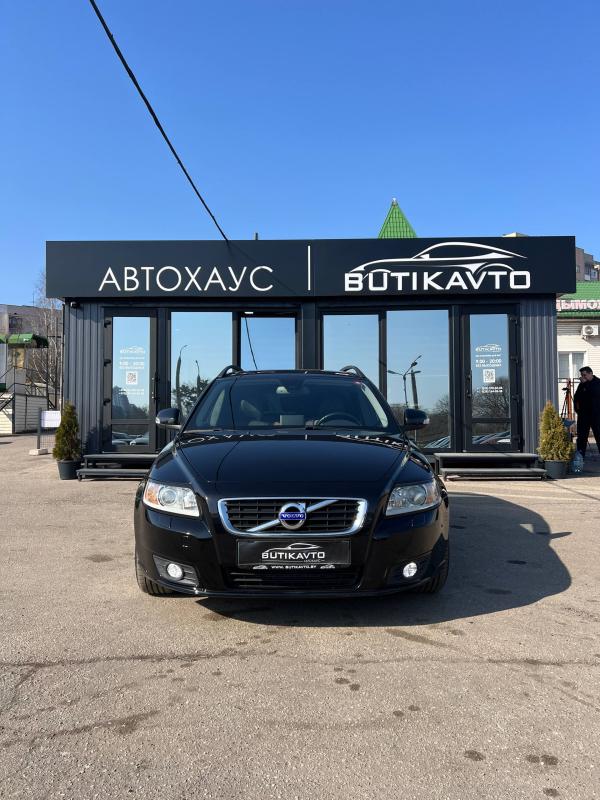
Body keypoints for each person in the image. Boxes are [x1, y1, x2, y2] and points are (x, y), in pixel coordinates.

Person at [573, 366, 600, 457]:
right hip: (583, 415)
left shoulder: (597, 383)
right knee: (581, 437)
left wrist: (585, 384)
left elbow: (594, 394)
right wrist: (577, 410)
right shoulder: (582, 385)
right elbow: (576, 397)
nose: (583, 377)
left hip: (596, 415)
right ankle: (580, 457)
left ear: (590, 373)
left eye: (584, 375)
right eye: (582, 375)